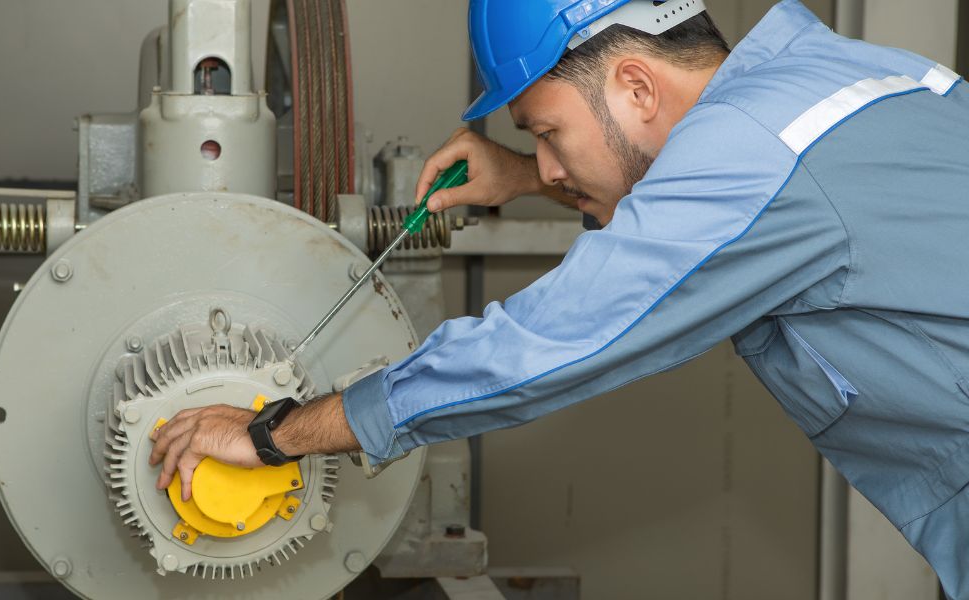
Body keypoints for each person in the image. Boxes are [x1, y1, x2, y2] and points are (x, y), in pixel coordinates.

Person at [149, 0, 969, 593]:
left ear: (637, 88)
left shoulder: (752, 153)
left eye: (546, 133)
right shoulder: (828, 78)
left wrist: (279, 433)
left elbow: (549, 345)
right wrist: (528, 179)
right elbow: (735, 210)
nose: (542, 162)